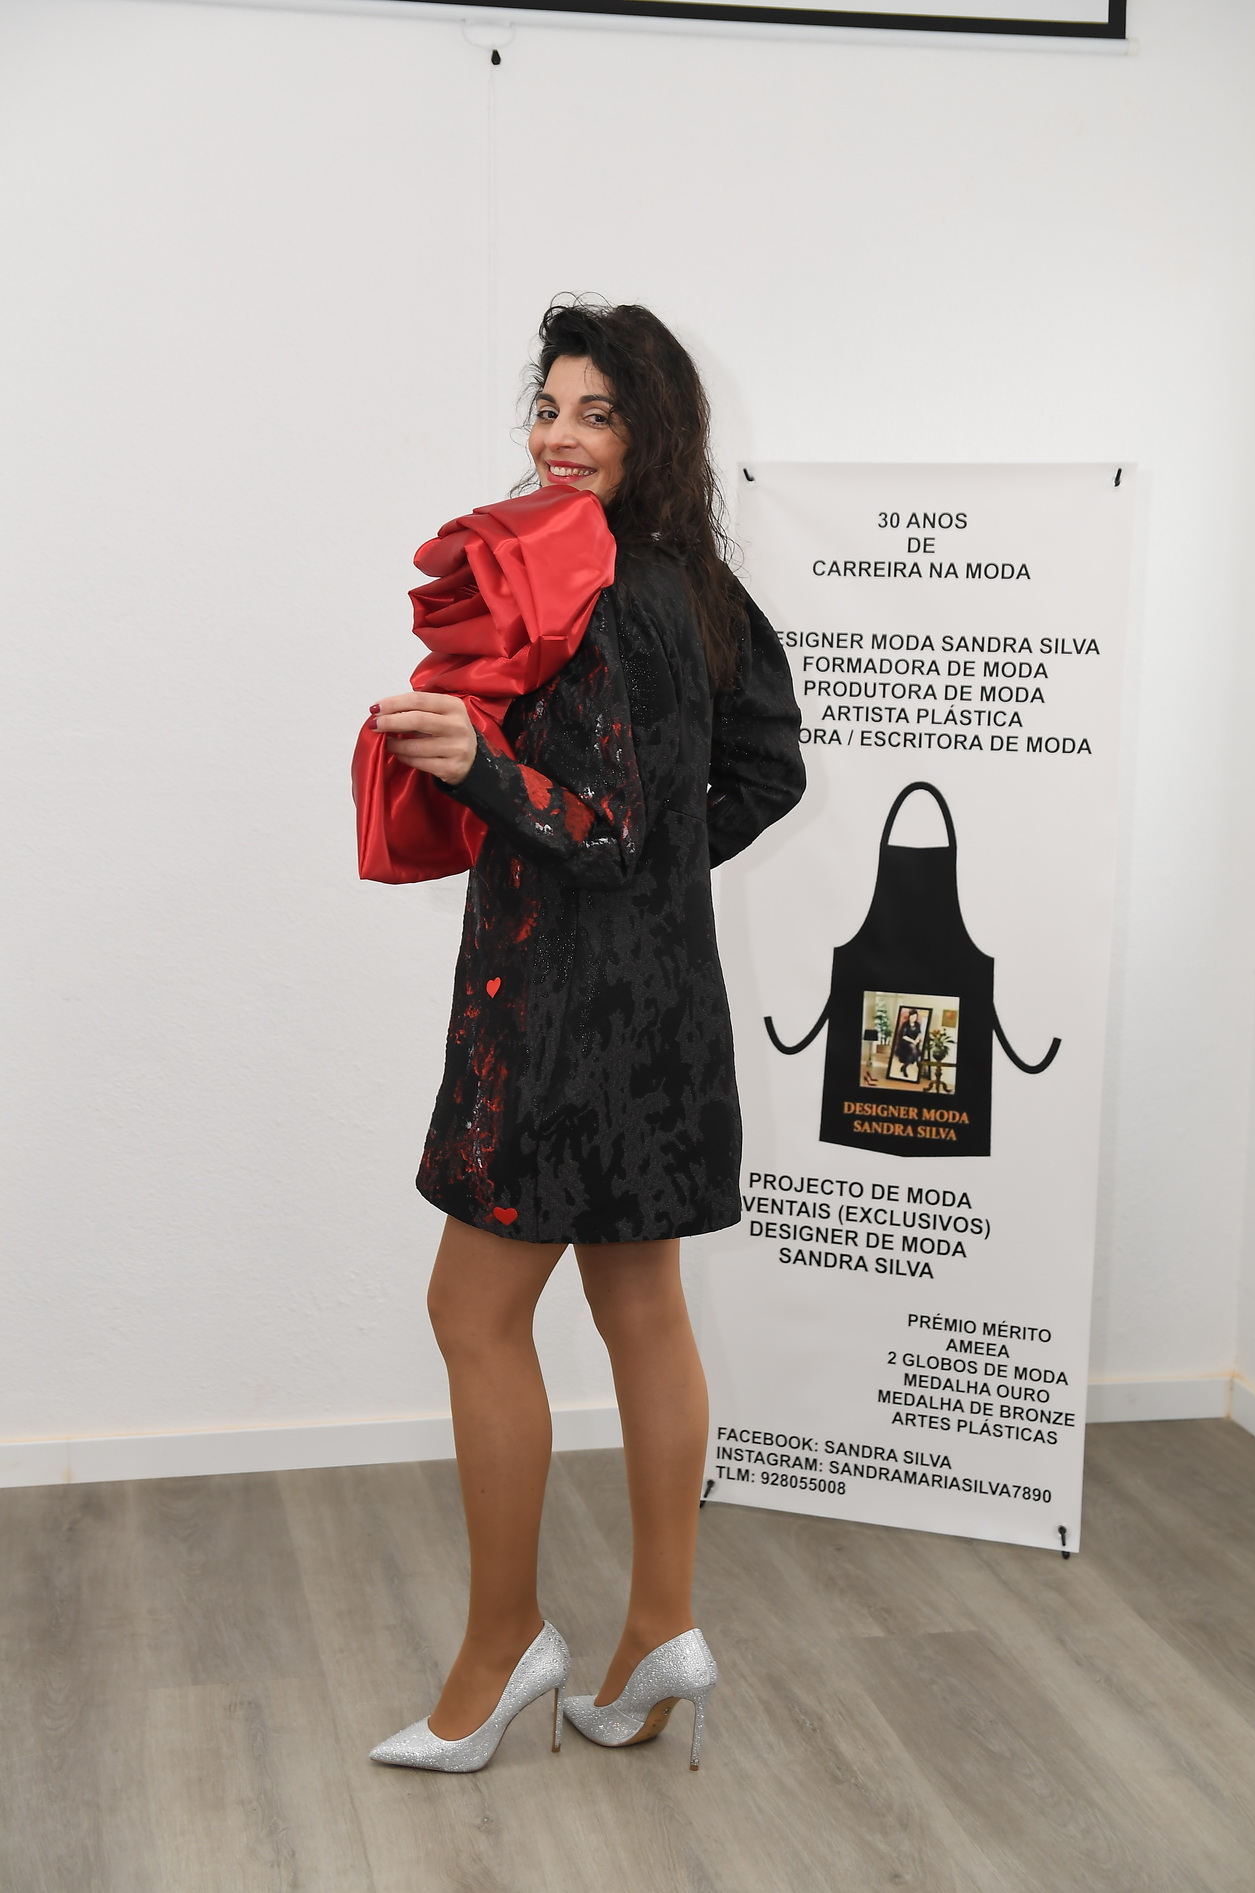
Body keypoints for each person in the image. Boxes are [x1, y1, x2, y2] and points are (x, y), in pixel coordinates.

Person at [361, 301, 805, 1775]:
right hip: (665, 1010)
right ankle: (661, 1628)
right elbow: (764, 771)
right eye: (548, 407)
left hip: (559, 1014)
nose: (559, 435)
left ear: (652, 431)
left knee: (472, 1314)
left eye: (596, 412)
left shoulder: (598, 591)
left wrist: (476, 764)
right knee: (643, 1308)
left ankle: (502, 1649)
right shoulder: (702, 589)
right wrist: (662, 876)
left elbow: (603, 828)